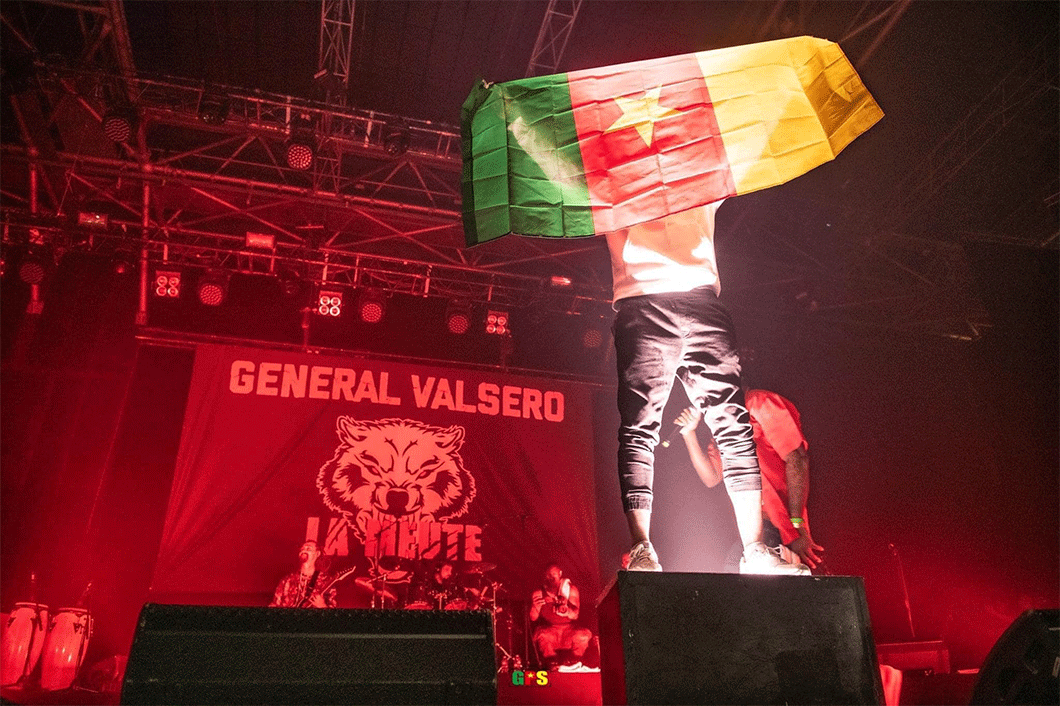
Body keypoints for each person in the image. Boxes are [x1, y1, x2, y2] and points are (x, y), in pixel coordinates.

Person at [606, 203, 805, 575]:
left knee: (734, 427)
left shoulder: (697, 156)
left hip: (697, 300)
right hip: (643, 299)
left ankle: (755, 549)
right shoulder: (614, 161)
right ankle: (641, 548)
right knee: (640, 427)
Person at [673, 388, 824, 571]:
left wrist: (796, 523)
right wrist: (689, 433)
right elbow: (711, 477)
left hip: (781, 528)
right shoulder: (722, 422)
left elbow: (797, 459)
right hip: (752, 531)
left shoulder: (759, 402)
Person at [529, 564, 593, 670]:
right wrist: (535, 607)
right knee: (543, 635)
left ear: (560, 574)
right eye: (549, 575)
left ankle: (575, 664)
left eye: (554, 574)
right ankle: (552, 664)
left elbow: (575, 615)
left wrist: (566, 611)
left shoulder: (571, 590)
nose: (552, 577)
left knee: (583, 635)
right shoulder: (539, 593)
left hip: (569, 630)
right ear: (545, 576)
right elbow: (533, 618)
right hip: (551, 630)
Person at [269, 540, 338, 608]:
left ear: (317, 554)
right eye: (302, 549)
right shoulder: (287, 580)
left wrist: (322, 605)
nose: (304, 551)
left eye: (308, 549)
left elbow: (333, 612)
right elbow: (274, 604)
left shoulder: (326, 580)